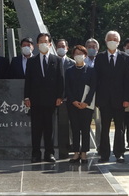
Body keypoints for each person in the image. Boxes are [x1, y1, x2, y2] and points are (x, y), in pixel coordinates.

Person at [24, 33, 64, 163]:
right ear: (36, 45)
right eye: (40, 42)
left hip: (51, 101)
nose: (43, 44)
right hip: (35, 101)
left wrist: (60, 96)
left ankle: (49, 153)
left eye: (45, 41)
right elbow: (28, 81)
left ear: (50, 44)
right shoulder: (31, 61)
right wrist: (26, 97)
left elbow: (60, 80)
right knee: (36, 129)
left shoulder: (56, 60)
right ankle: (36, 154)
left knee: (49, 129)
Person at [94, 30, 129, 163]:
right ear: (105, 41)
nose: (112, 41)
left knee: (120, 127)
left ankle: (119, 153)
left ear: (119, 42)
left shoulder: (125, 58)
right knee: (105, 127)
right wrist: (97, 99)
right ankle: (104, 153)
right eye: (110, 39)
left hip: (120, 99)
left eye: (115, 39)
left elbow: (128, 80)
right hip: (104, 99)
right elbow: (96, 79)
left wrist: (127, 98)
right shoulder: (100, 57)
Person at [64, 45, 96, 164]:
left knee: (85, 128)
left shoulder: (91, 70)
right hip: (73, 104)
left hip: (86, 106)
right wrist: (73, 101)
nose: (78, 56)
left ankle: (84, 153)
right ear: (73, 55)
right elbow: (67, 87)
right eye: (76, 53)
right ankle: (76, 152)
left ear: (85, 55)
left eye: (81, 53)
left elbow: (93, 88)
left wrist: (85, 102)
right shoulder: (69, 71)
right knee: (75, 128)